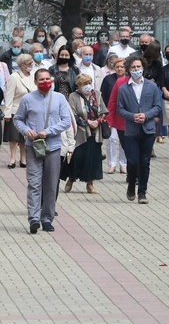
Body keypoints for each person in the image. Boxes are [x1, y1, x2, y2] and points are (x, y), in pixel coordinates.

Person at [12, 68, 71, 233]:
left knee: (51, 184)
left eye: (48, 79)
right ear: (35, 82)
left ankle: (47, 218)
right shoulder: (27, 99)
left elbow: (66, 121)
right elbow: (18, 119)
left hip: (53, 147)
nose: (45, 82)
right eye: (42, 80)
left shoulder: (59, 98)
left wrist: (49, 131)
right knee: (34, 183)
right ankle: (34, 219)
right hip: (33, 147)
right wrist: (26, 131)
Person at [117, 56, 162, 204]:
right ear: (129, 70)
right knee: (132, 161)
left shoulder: (151, 86)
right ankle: (131, 185)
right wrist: (132, 116)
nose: (136, 70)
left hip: (148, 129)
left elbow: (157, 106)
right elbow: (119, 109)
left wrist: (146, 115)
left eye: (138, 67)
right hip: (131, 130)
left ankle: (142, 192)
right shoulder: (123, 88)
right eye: (133, 68)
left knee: (145, 161)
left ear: (143, 68)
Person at [62, 74, 108, 194]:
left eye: (89, 83)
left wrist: (97, 121)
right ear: (79, 85)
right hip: (81, 133)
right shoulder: (73, 96)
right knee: (76, 157)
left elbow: (104, 112)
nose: (87, 86)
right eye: (84, 84)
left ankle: (90, 183)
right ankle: (71, 178)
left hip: (95, 132)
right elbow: (72, 114)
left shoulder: (97, 94)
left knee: (93, 158)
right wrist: (87, 122)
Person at [4, 54, 37, 168]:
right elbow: (9, 96)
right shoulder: (14, 77)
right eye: (29, 64)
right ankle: (12, 158)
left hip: (30, 111)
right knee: (14, 137)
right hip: (16, 110)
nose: (31, 65)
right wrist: (7, 113)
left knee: (25, 136)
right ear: (22, 65)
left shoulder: (34, 75)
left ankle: (23, 159)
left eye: (32, 63)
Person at [101, 57, 127, 174]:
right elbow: (104, 97)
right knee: (111, 139)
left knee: (124, 141)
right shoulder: (108, 79)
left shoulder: (128, 80)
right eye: (117, 67)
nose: (120, 69)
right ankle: (111, 164)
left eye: (122, 66)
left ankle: (123, 164)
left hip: (125, 115)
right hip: (111, 113)